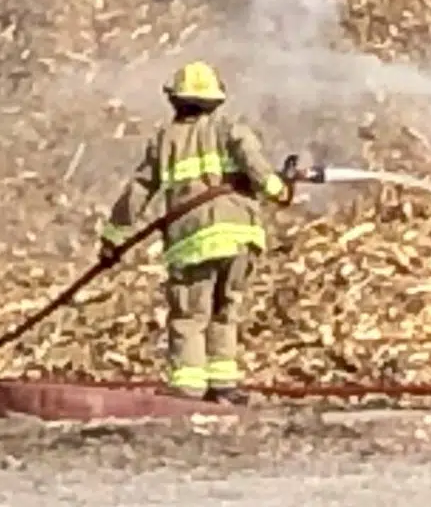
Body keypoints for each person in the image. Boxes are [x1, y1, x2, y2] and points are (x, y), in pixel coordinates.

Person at [97, 61, 291, 403]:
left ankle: (188, 387)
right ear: (216, 100)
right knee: (225, 310)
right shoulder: (231, 129)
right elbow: (257, 166)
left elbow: (139, 191)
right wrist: (280, 190)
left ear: (175, 100)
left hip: (193, 243)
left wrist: (113, 238)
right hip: (238, 238)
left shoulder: (165, 141)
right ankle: (223, 386)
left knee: (189, 316)